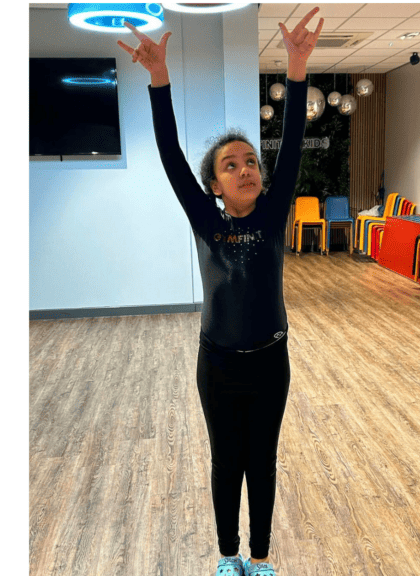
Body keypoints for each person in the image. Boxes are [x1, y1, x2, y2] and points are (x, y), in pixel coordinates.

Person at [119, 8, 324, 576]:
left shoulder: (273, 213)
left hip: (271, 362)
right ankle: (228, 556)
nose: (246, 169)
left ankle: (260, 558)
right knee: (226, 462)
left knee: (263, 463)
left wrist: (297, 68)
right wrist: (159, 78)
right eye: (231, 165)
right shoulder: (206, 219)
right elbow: (170, 153)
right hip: (218, 365)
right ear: (213, 185)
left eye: (251, 161)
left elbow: (292, 144)